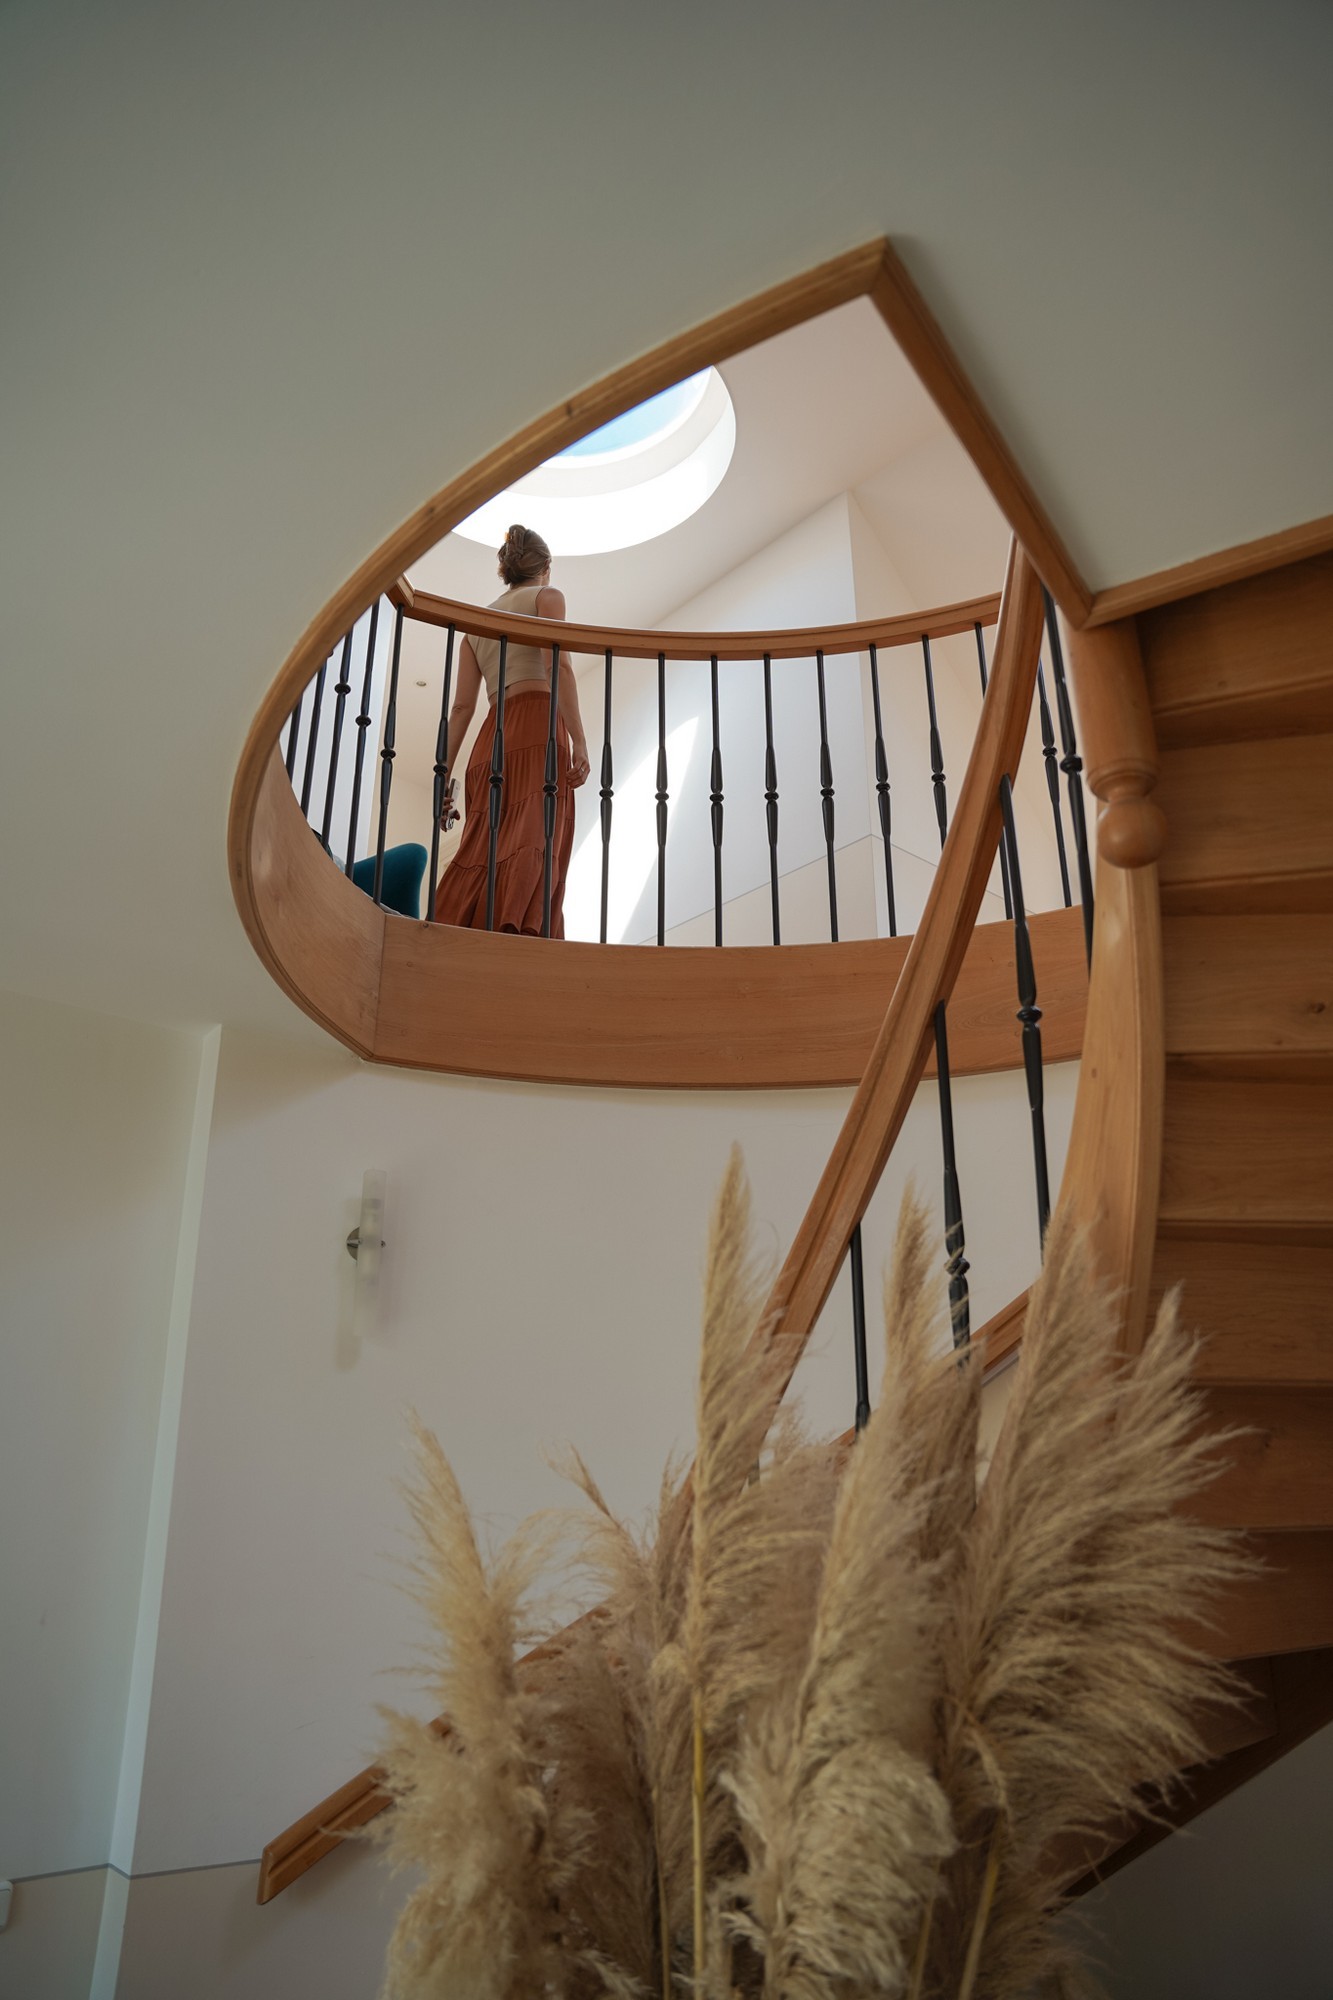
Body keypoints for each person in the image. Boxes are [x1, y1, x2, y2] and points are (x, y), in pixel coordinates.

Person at [433, 524, 590, 935]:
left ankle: (461, 928)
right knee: (536, 839)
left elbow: (461, 708)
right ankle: (521, 933)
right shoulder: (547, 597)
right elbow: (558, 666)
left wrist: (441, 774)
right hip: (537, 728)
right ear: (546, 566)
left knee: (484, 844)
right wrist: (580, 740)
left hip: (492, 738)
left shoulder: (474, 627)